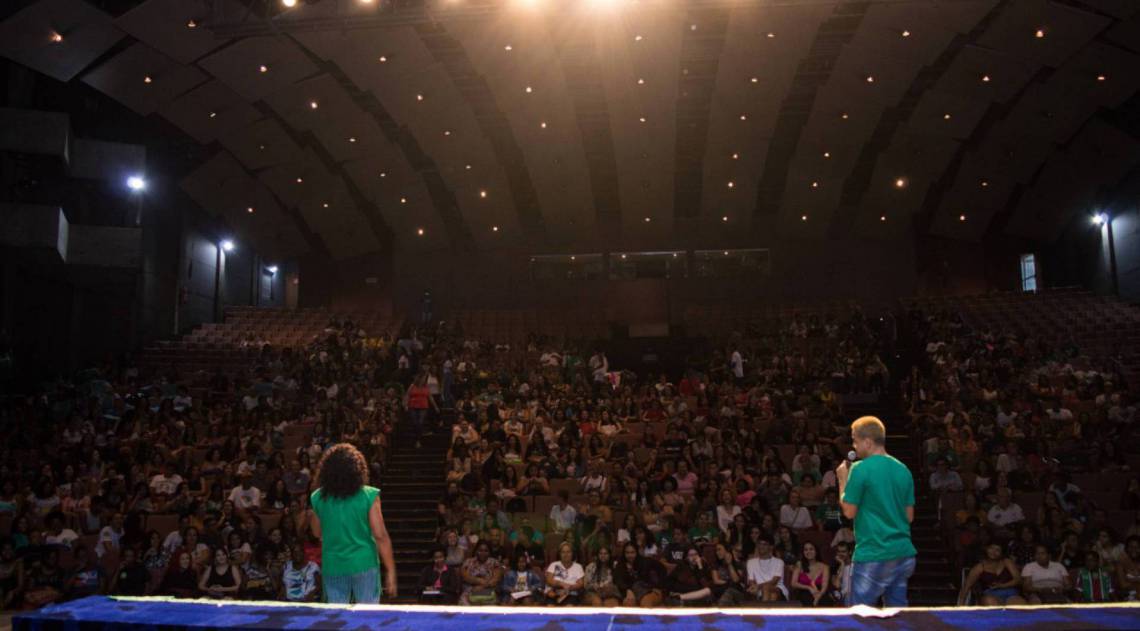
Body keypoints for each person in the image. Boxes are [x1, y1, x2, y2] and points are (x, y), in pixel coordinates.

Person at [836, 416, 916, 607]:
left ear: (868, 442)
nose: (854, 446)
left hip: (873, 553)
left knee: (859, 616)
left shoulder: (860, 468)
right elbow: (909, 517)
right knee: (898, 616)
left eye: (855, 440)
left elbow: (848, 512)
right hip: (902, 554)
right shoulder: (903, 469)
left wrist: (842, 480)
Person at [308, 443, 397, 603]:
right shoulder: (369, 495)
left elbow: (316, 533)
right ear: (358, 468)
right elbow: (380, 536)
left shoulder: (317, 497)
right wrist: (390, 571)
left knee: (337, 620)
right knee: (368, 618)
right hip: (364, 563)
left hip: (334, 565)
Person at [958, 543, 1026, 606]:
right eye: (991, 548)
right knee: (990, 602)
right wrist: (960, 607)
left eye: (997, 550)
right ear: (986, 549)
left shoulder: (1006, 562)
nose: (993, 552)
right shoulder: (979, 567)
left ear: (1001, 553)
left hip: (1011, 593)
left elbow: (1018, 579)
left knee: (1020, 604)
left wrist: (1002, 586)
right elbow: (966, 587)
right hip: (990, 594)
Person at [744, 536, 786, 602]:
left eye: (765, 544)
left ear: (771, 547)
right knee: (772, 596)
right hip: (758, 590)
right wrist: (754, 587)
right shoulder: (751, 562)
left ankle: (763, 610)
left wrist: (758, 586)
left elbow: (774, 581)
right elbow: (751, 580)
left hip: (776, 588)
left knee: (766, 588)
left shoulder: (779, 562)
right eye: (760, 544)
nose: (761, 546)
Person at [788, 541, 831, 606]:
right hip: (804, 591)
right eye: (806, 550)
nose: (808, 552)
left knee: (825, 600)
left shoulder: (825, 567)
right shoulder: (799, 565)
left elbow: (824, 586)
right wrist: (809, 588)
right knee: (806, 598)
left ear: (816, 551)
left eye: (811, 549)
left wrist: (818, 597)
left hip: (820, 592)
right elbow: (793, 583)